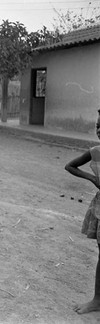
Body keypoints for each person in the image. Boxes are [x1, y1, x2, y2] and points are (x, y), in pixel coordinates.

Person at [65, 115, 100, 314]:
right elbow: (70, 166)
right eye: (97, 126)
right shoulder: (95, 152)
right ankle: (97, 300)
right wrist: (92, 178)